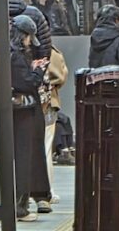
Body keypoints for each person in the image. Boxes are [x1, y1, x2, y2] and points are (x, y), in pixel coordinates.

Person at [9, 15, 51, 222]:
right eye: (27, 39)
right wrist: (38, 71)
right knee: (25, 159)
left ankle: (21, 204)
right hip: (25, 114)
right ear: (22, 36)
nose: (29, 44)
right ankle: (20, 207)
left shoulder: (7, 54)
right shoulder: (16, 57)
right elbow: (27, 83)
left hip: (19, 114)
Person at [41, 45, 68, 211]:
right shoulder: (50, 51)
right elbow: (60, 76)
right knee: (45, 148)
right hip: (46, 103)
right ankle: (47, 190)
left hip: (20, 104)